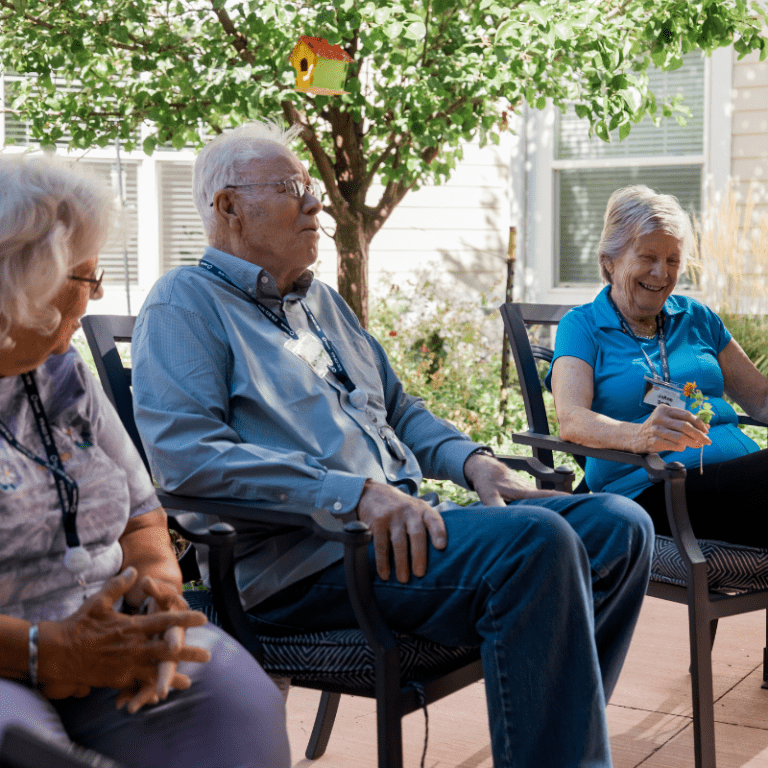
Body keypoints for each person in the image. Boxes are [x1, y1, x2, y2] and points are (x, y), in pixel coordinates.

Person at [131, 121, 655, 768]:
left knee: (619, 527)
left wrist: (475, 463)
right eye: (294, 188)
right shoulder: (185, 304)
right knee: (535, 546)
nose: (316, 203)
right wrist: (355, 496)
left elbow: (402, 409)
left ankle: (555, 747)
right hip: (310, 562)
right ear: (229, 207)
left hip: (405, 531)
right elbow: (188, 458)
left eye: (312, 187)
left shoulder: (319, 301)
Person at [0, 155, 291, 768]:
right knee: (23, 749)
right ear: (25, 281)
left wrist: (157, 600)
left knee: (234, 698)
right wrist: (39, 649)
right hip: (11, 651)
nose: (97, 291)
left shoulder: (64, 376)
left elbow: (140, 516)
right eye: (84, 275)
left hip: (108, 633)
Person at [547, 184, 768, 546]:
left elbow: (760, 399)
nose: (661, 273)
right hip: (655, 491)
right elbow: (572, 419)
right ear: (609, 260)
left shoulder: (696, 317)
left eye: (672, 260)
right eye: (647, 257)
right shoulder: (583, 325)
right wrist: (639, 436)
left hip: (739, 482)